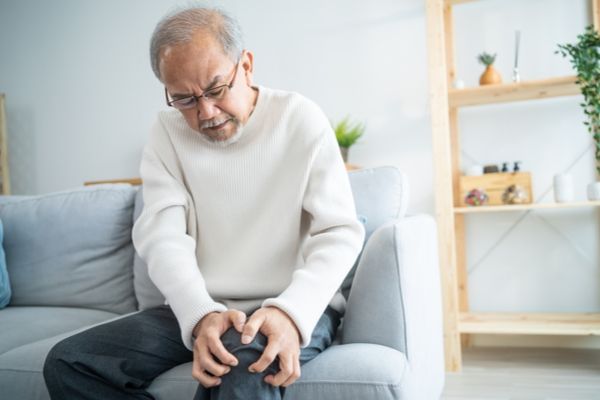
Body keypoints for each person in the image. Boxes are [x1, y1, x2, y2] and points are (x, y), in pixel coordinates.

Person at [43, 5, 364, 400]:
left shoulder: (300, 118)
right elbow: (162, 237)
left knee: (245, 367)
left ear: (245, 65)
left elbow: (338, 231)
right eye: (184, 99)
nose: (206, 112)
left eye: (215, 90)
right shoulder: (167, 133)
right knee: (70, 361)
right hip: (203, 306)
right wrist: (201, 316)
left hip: (285, 304)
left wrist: (290, 312)